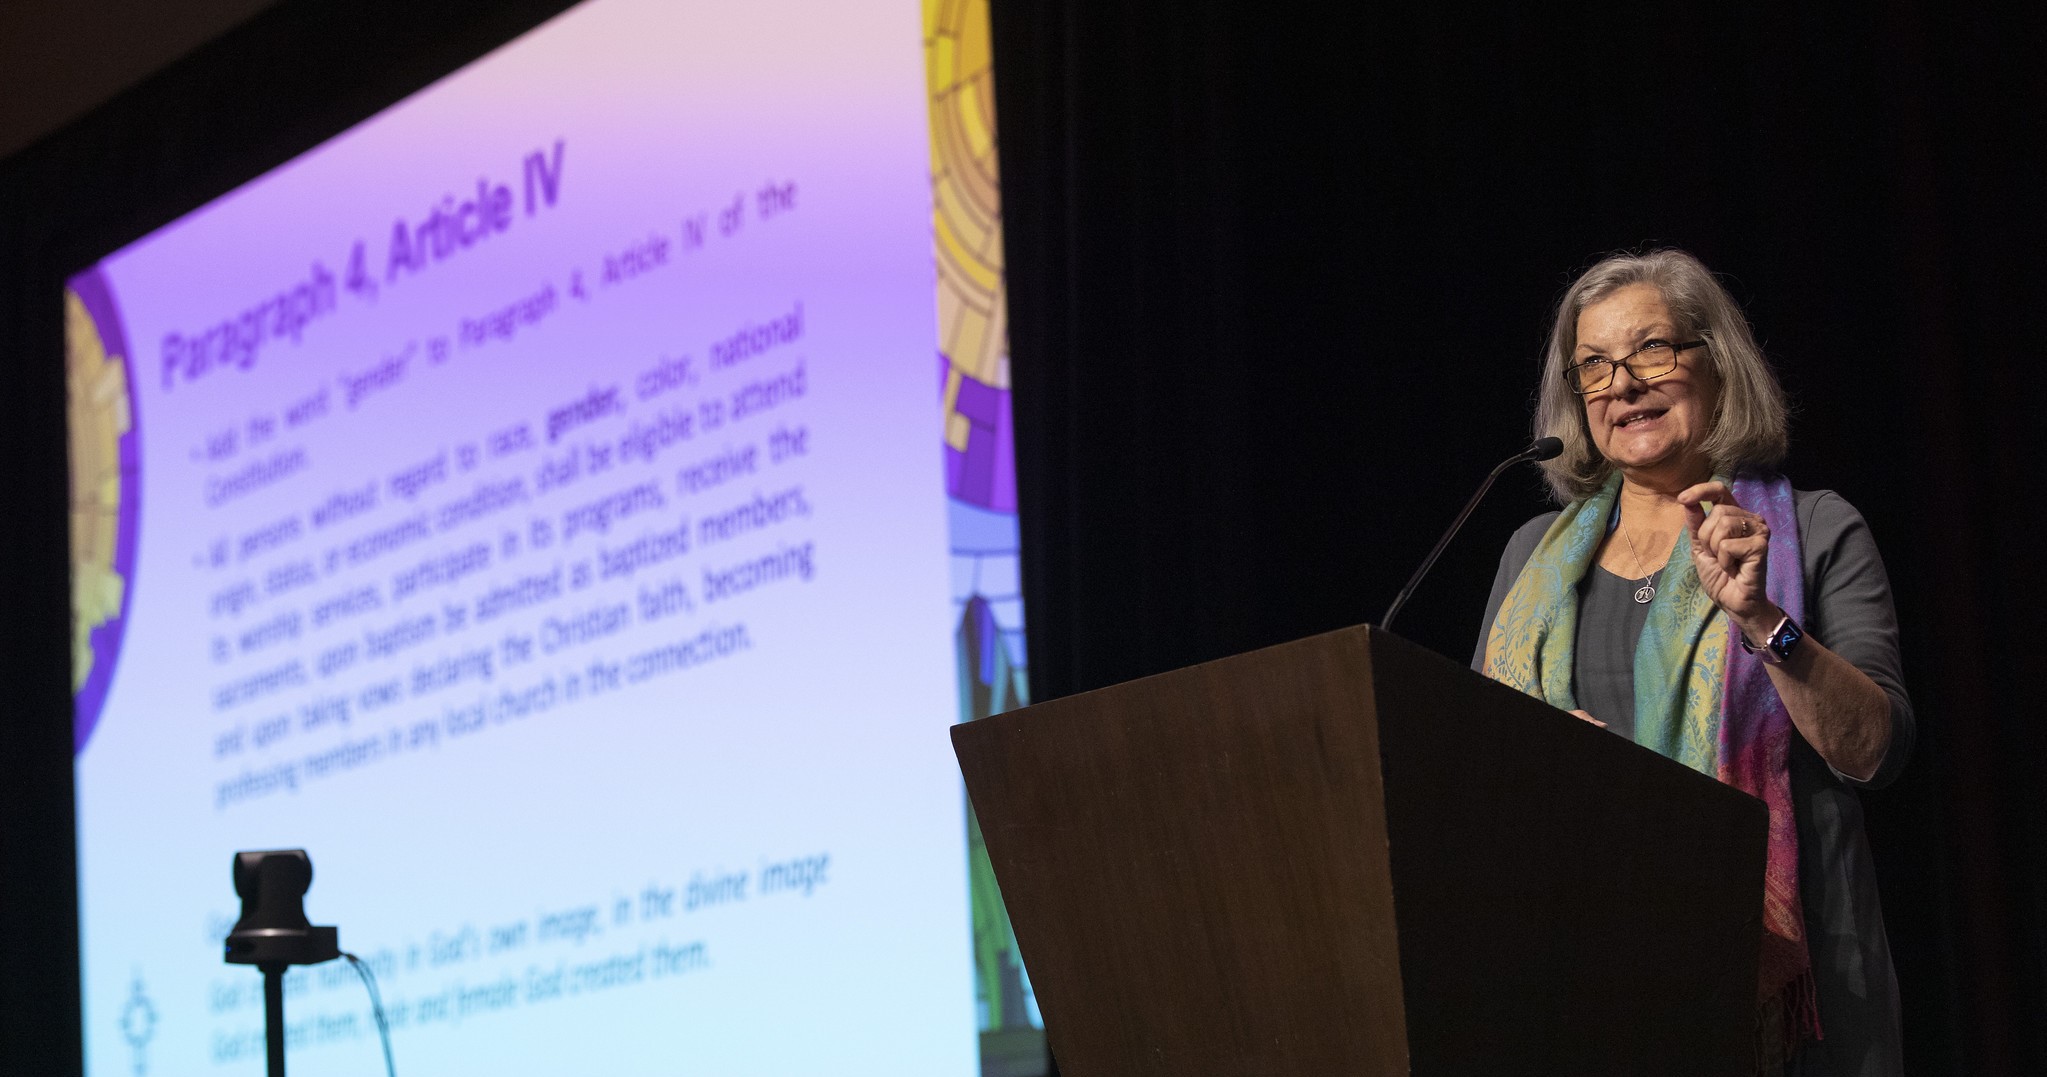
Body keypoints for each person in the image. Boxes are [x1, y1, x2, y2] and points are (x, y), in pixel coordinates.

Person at [1473, 249, 1911, 1076]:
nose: (1621, 383)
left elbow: (1873, 751)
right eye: (1594, 365)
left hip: (1791, 991)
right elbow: (1472, 766)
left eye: (1651, 350)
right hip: (1584, 982)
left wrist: (1760, 616)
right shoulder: (1529, 559)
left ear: (1718, 365)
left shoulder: (1811, 531)